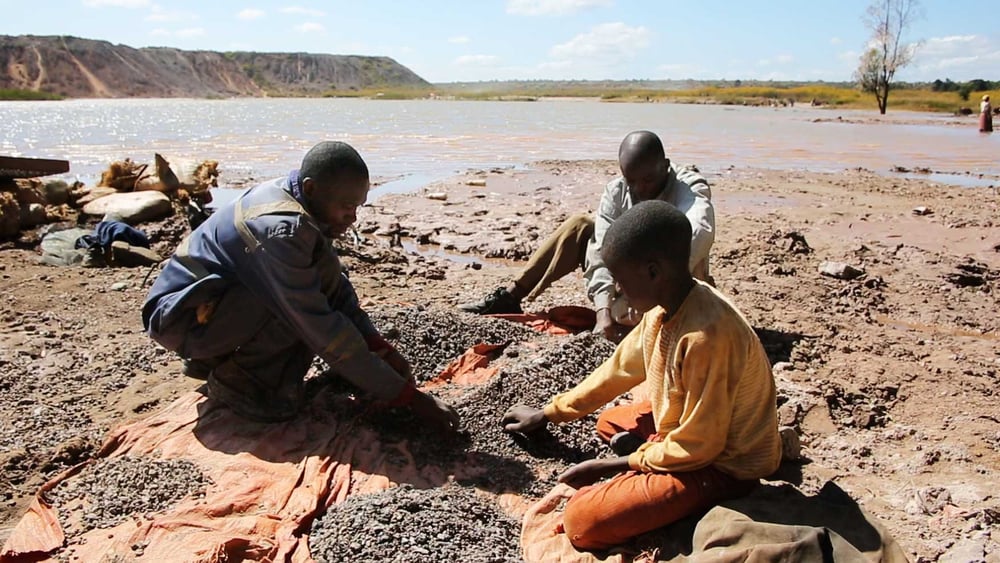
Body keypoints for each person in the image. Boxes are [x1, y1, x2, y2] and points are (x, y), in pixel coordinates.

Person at [501, 200, 781, 551]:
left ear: (652, 272)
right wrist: (550, 413)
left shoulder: (706, 337)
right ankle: (653, 471)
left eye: (620, 280)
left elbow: (700, 447)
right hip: (693, 436)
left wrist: (612, 465)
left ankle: (685, 495)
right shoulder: (665, 307)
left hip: (724, 465)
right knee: (610, 423)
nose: (617, 291)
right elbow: (618, 370)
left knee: (582, 522)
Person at [142, 141, 460, 430]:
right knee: (295, 315)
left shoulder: (300, 205)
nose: (353, 218)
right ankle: (238, 382)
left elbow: (335, 287)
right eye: (347, 206)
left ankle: (220, 358)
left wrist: (378, 346)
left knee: (307, 292)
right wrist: (409, 398)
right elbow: (319, 325)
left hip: (212, 306)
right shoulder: (280, 229)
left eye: (358, 207)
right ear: (310, 188)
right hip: (180, 319)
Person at [459, 130, 714, 342]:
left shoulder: (688, 186)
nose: (639, 189)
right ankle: (511, 295)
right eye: (631, 180)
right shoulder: (617, 191)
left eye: (647, 179)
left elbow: (698, 233)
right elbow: (602, 249)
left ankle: (639, 322)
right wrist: (602, 310)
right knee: (581, 225)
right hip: (628, 283)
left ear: (665, 166)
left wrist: (647, 292)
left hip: (668, 282)